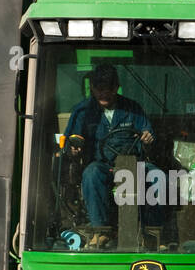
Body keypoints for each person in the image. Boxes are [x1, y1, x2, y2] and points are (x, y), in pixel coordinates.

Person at [63, 63, 165, 249]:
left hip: (134, 163)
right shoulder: (82, 112)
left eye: (108, 89)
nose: (103, 94)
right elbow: (70, 141)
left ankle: (152, 234)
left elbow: (148, 134)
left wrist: (148, 138)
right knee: (91, 174)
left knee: (157, 176)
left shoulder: (132, 108)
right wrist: (73, 148)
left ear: (116, 88)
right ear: (92, 88)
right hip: (101, 165)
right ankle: (101, 231)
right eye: (99, 89)